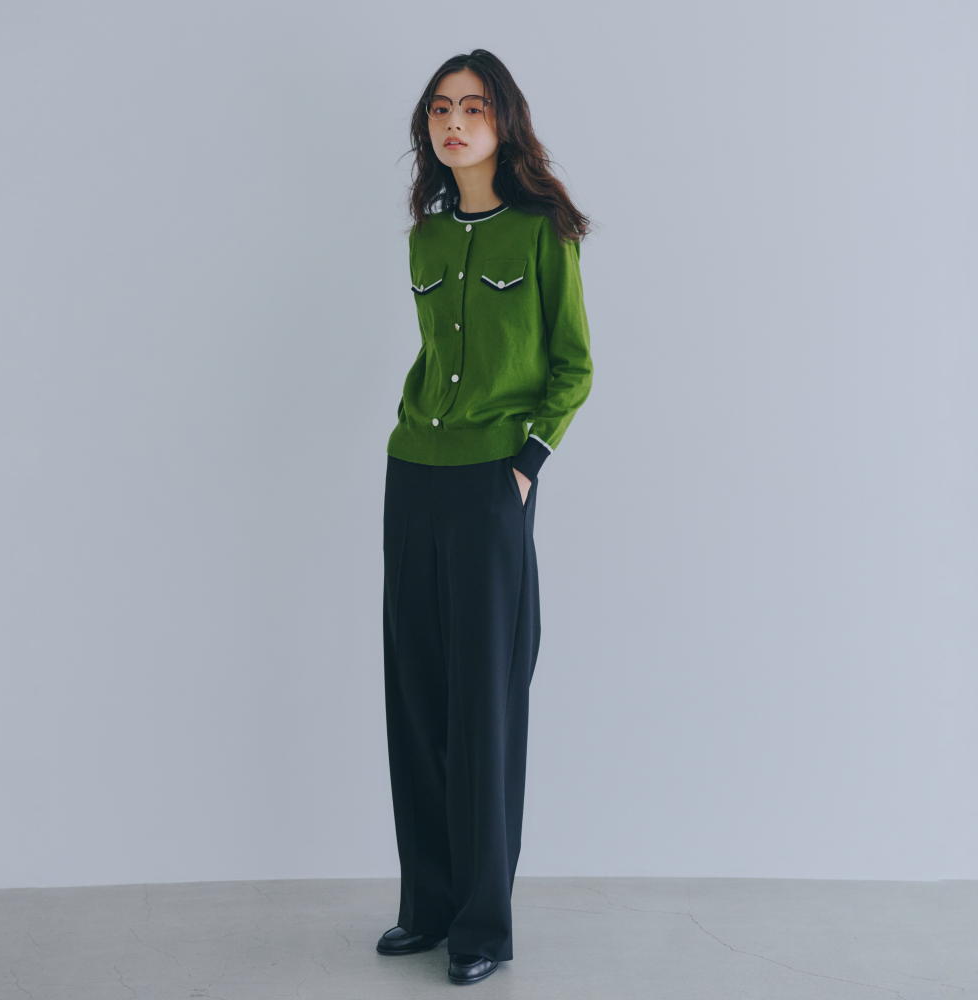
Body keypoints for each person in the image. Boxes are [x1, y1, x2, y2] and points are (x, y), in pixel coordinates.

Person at [376, 48, 594, 986]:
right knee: (416, 695)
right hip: (413, 474)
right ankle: (426, 904)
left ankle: (481, 925)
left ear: (503, 122)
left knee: (485, 704)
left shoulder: (544, 233)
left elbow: (572, 365)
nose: (454, 122)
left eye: (471, 107)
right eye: (440, 108)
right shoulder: (426, 239)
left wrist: (527, 465)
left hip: (492, 484)